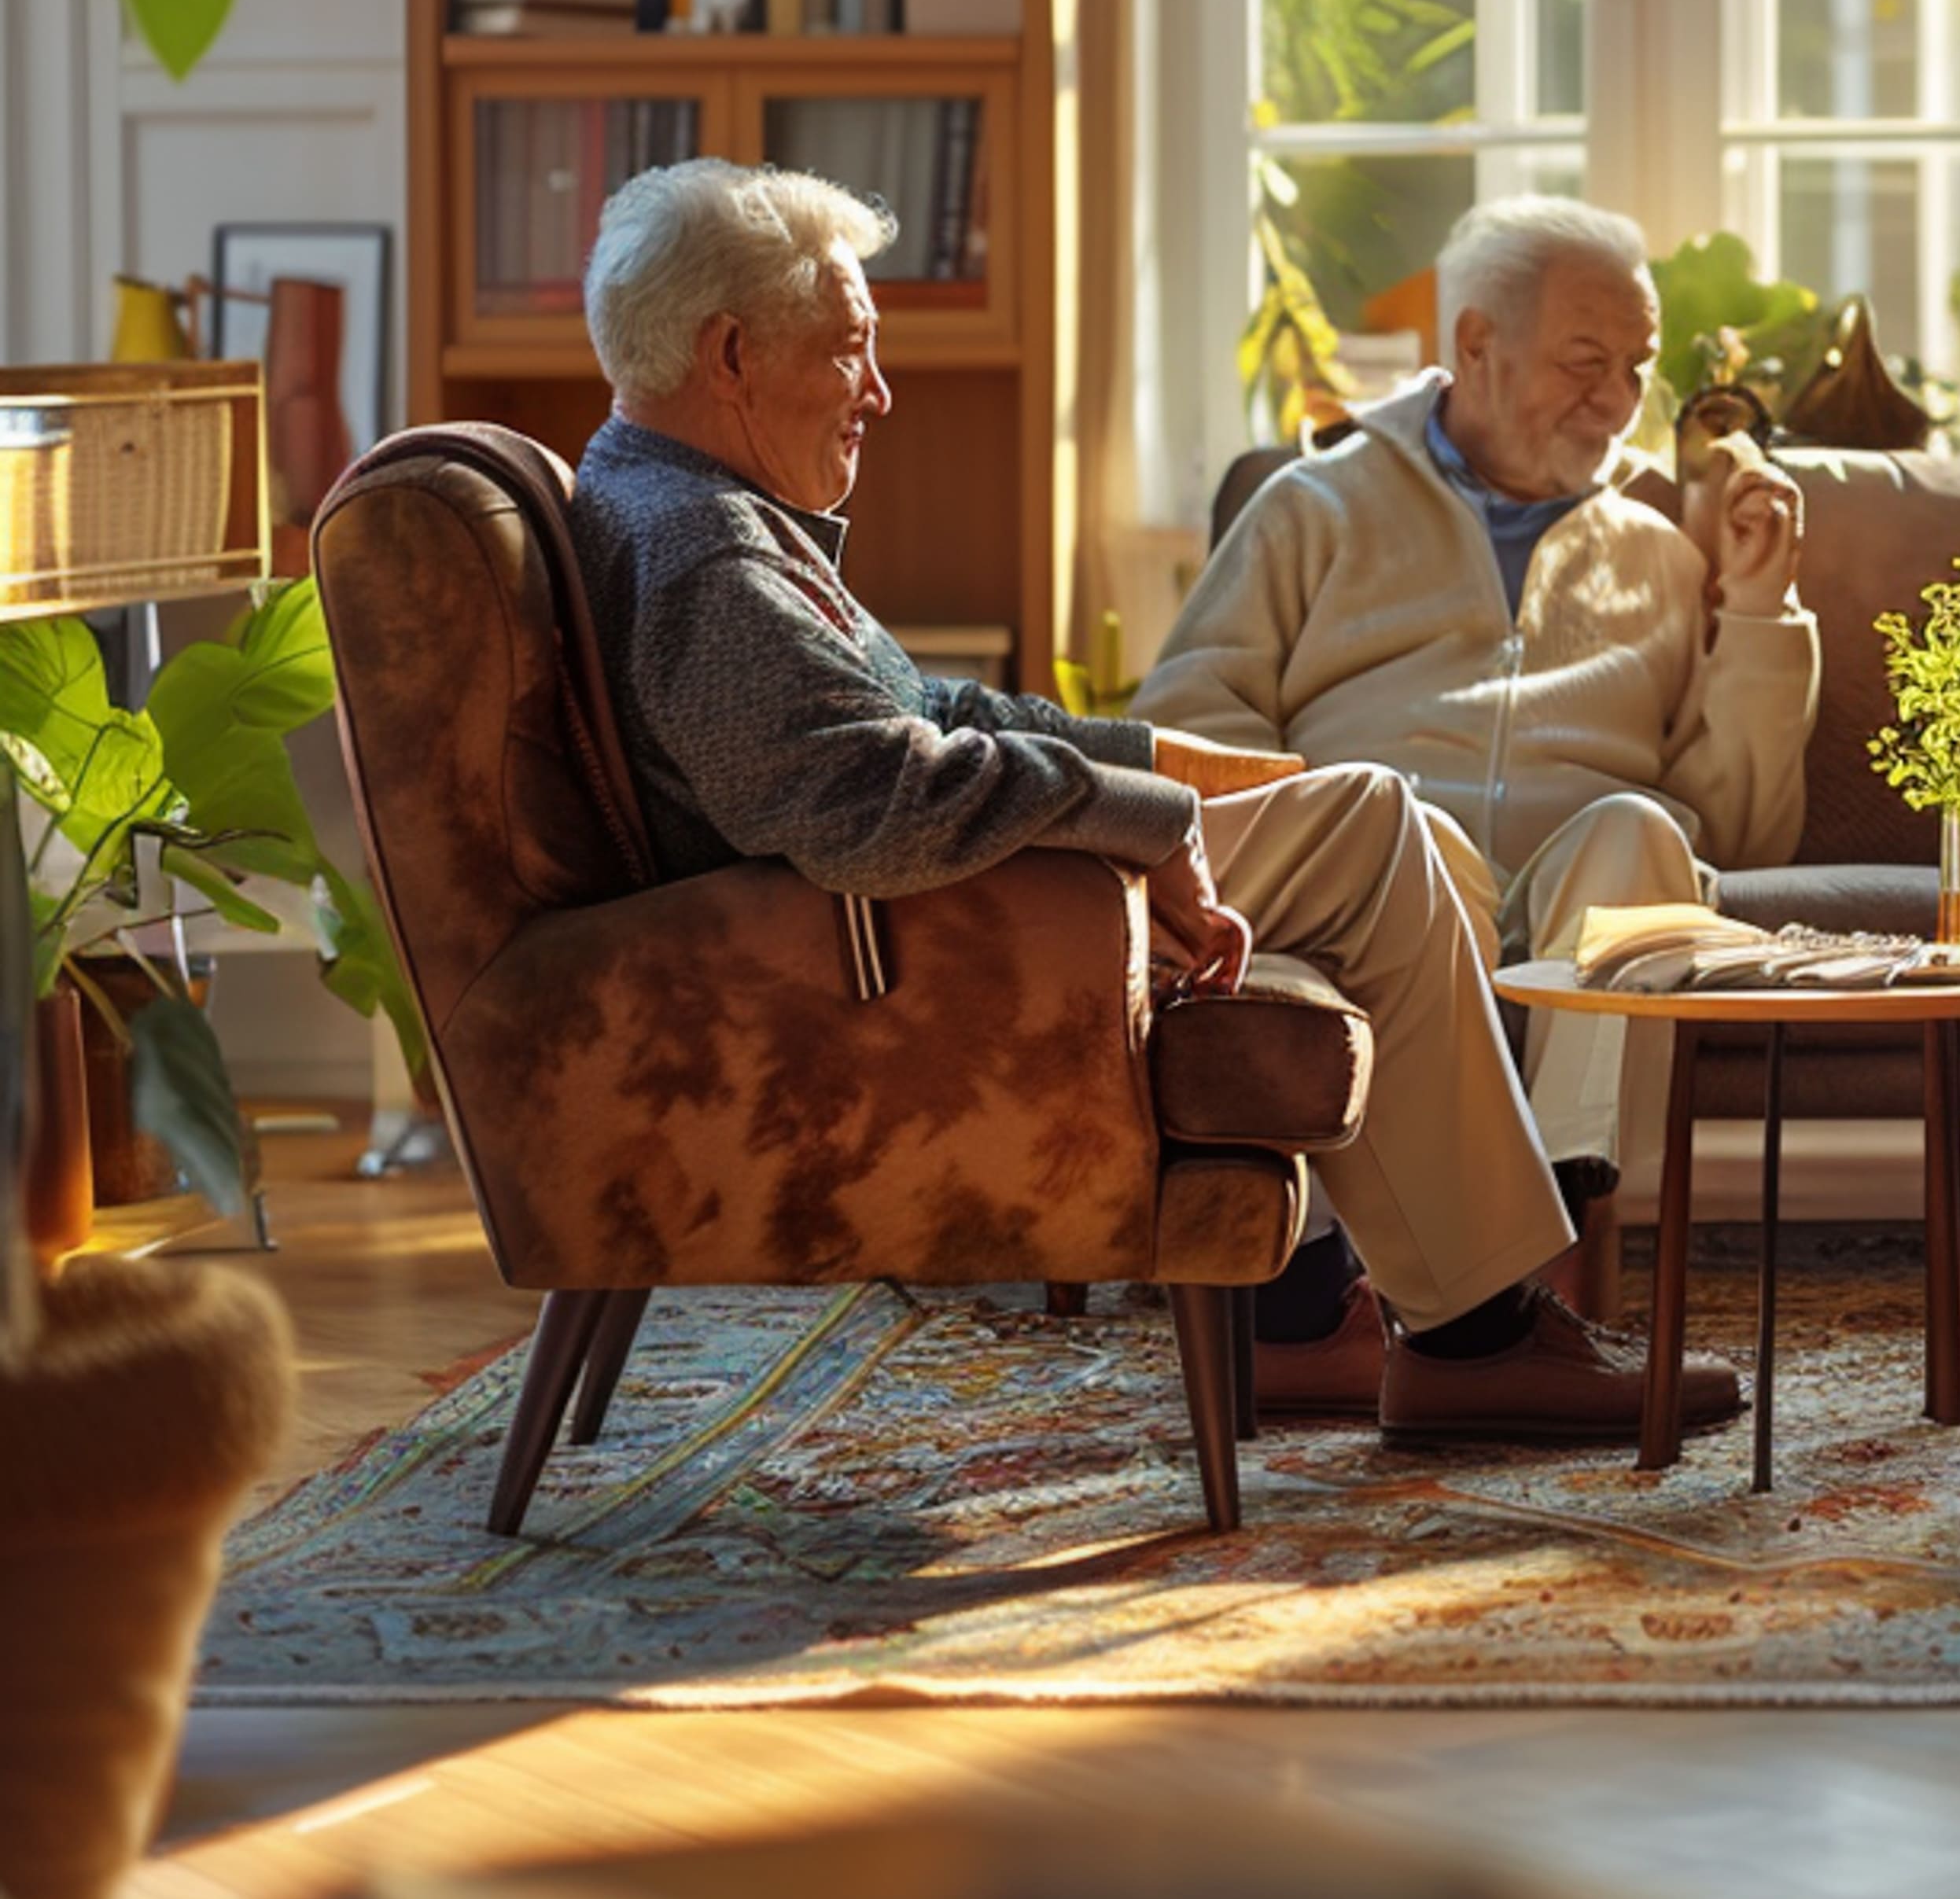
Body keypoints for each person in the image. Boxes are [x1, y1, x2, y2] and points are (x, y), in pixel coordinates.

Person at [568, 160, 1735, 1446]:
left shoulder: (698, 515)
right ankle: (1472, 1338)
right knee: (1372, 824)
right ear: (729, 354)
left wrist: (1151, 760)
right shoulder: (709, 557)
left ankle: (1314, 1312)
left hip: (951, 912)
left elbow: (923, 718)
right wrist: (1146, 814)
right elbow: (867, 802)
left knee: (1351, 828)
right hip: (934, 944)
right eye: (851, 350)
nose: (880, 393)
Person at [1130, 195, 1816, 1397]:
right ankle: (1473, 1324)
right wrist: (1344, 813)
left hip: (1579, 906)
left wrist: (1758, 611)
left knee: (1639, 831)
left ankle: (1539, 1278)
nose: (1614, 400)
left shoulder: (1661, 550)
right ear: (1475, 344)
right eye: (1582, 362)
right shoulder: (1314, 504)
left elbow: (1741, 825)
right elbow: (1194, 726)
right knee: (1407, 833)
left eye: (1636, 369)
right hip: (1392, 881)